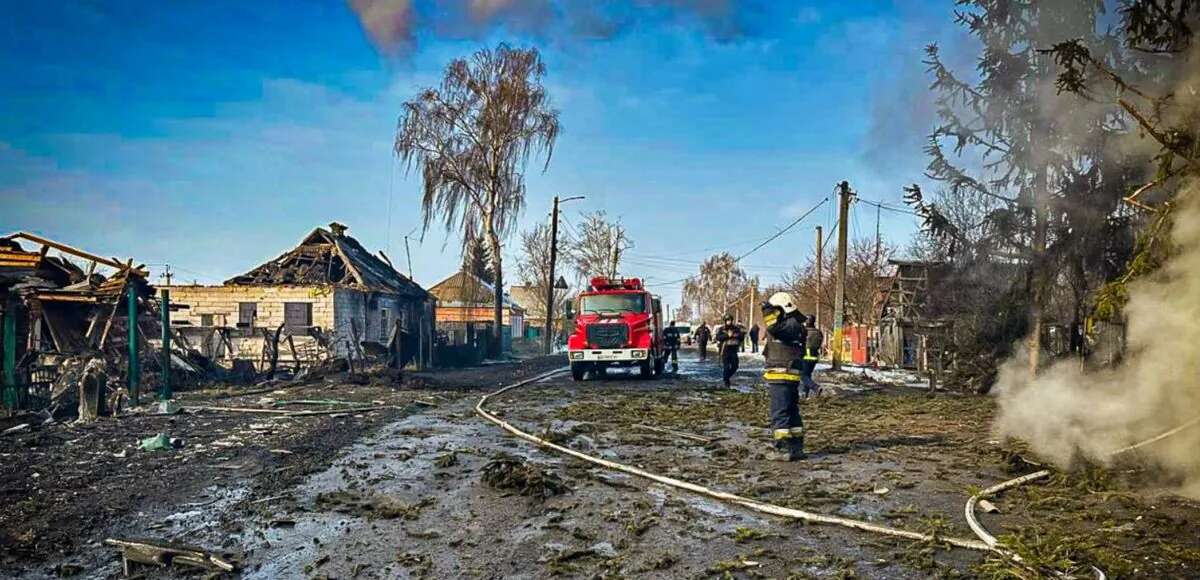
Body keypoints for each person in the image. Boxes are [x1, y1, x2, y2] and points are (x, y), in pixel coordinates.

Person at [760, 292, 808, 461]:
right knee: (791, 412)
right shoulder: (795, 325)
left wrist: (767, 310)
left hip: (781, 374)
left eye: (776, 310)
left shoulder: (789, 325)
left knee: (779, 413)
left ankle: (783, 450)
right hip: (788, 374)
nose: (774, 314)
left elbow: (773, 327)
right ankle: (796, 448)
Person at [715, 315, 745, 387]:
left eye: (730, 320)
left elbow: (741, 337)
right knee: (726, 367)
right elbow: (718, 337)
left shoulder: (736, 328)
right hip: (724, 350)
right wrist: (727, 335)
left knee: (735, 366)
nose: (729, 322)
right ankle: (726, 382)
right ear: (725, 321)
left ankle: (726, 377)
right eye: (727, 320)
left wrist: (735, 335)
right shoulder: (722, 329)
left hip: (733, 350)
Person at [801, 317, 823, 398]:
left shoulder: (804, 332)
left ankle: (816, 387)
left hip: (805, 356)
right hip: (814, 357)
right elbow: (820, 343)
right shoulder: (818, 332)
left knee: (802, 375)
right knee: (807, 374)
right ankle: (805, 393)